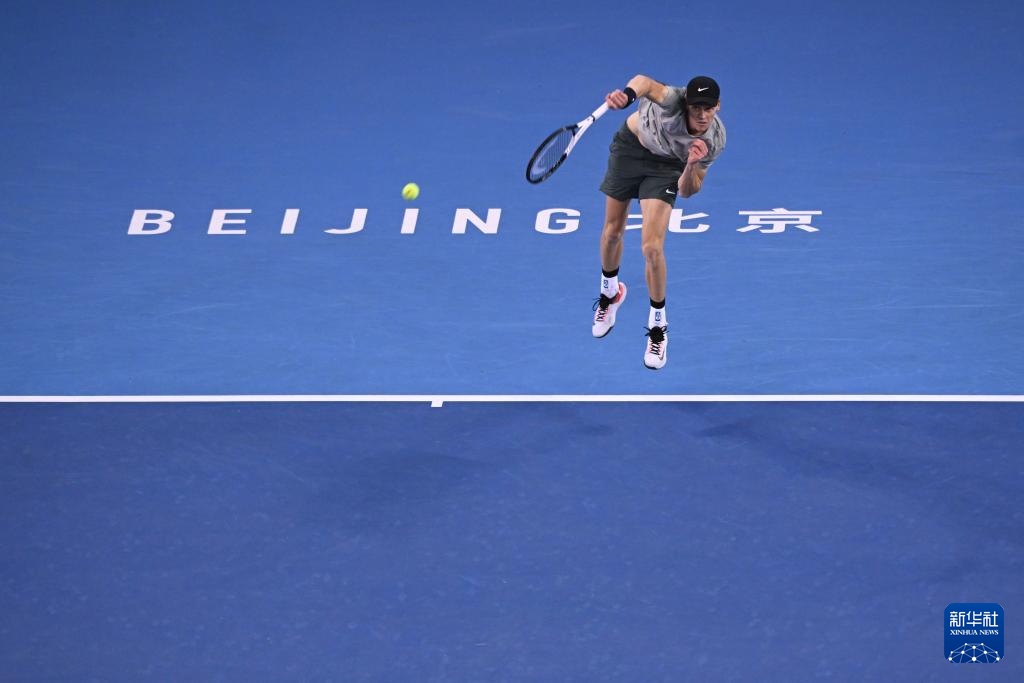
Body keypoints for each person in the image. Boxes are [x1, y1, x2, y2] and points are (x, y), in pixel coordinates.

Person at [591, 75, 725, 370]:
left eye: (708, 108)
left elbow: (688, 190)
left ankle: (658, 326)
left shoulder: (713, 140)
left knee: (652, 248)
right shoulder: (672, 100)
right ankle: (610, 293)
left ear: (718, 106)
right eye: (696, 107)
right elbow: (644, 83)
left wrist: (691, 165)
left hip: (668, 169)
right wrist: (627, 96)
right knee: (612, 232)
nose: (702, 115)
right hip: (630, 149)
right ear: (686, 104)